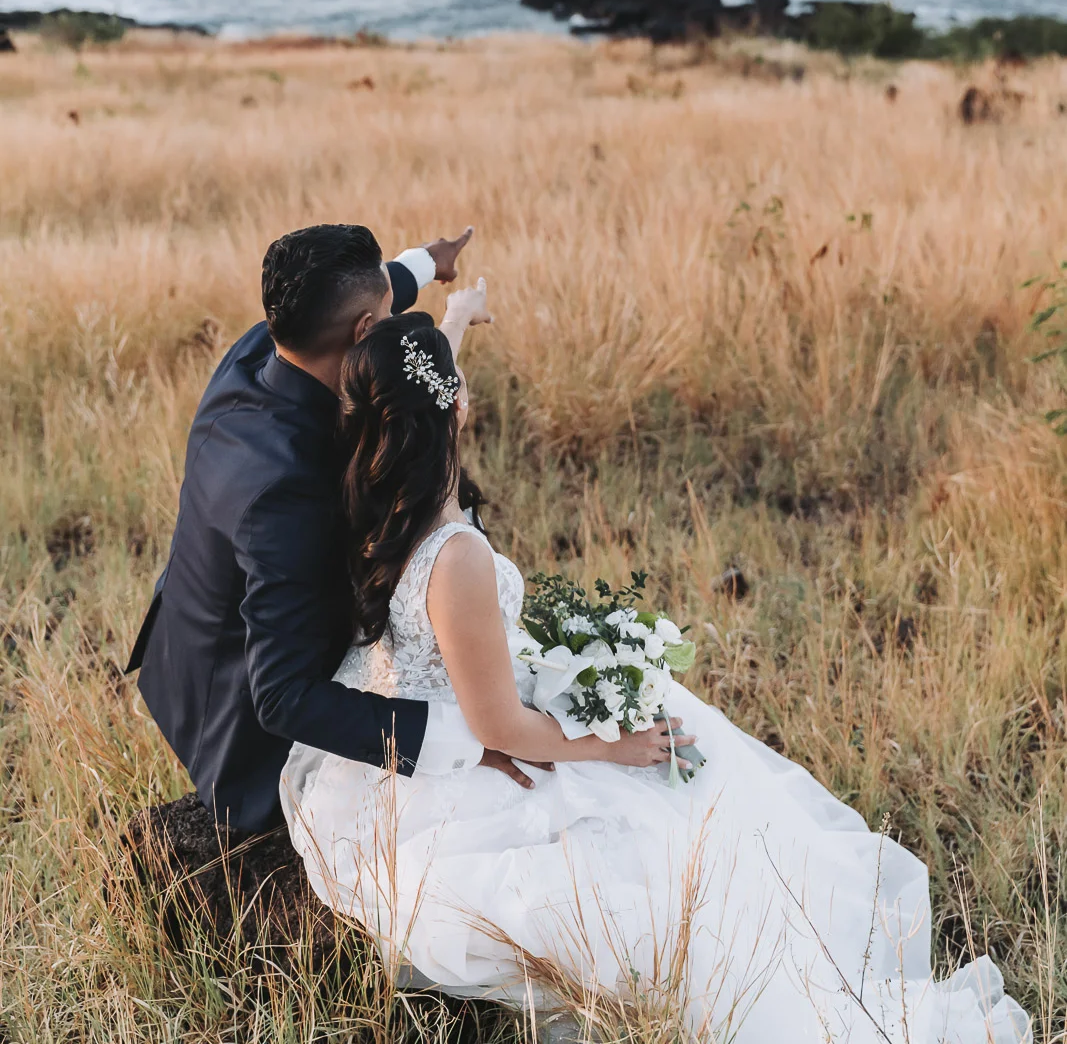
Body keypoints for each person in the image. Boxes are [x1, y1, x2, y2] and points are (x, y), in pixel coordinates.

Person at [282, 307, 1030, 1044]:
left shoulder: (376, 503)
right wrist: (616, 746)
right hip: (470, 756)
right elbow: (497, 726)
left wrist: (455, 318)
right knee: (667, 795)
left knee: (685, 756)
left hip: (403, 740)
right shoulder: (456, 556)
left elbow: (414, 383)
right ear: (456, 403)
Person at [127, 220, 517, 837]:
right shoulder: (290, 489)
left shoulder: (260, 347)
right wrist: (463, 741)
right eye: (384, 319)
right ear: (364, 332)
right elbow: (281, 696)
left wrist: (425, 262)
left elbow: (365, 294)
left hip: (180, 649)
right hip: (237, 725)